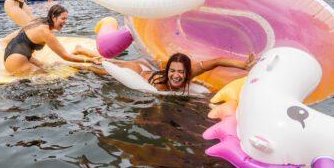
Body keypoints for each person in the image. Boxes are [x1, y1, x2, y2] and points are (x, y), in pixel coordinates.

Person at [3, 4, 102, 75]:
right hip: (16, 61)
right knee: (49, 77)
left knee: (48, 67)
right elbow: (66, 56)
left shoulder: (39, 21)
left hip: (14, 53)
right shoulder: (45, 31)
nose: (65, 22)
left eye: (66, 19)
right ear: (53, 17)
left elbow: (20, 33)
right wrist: (89, 60)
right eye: (63, 19)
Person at [107, 52, 256, 94]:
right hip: (139, 71)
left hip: (150, 69)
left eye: (180, 72)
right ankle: (93, 63)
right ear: (168, 70)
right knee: (104, 69)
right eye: (172, 71)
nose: (176, 75)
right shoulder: (161, 87)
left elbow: (217, 61)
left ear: (187, 72)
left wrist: (243, 65)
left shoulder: (191, 73)